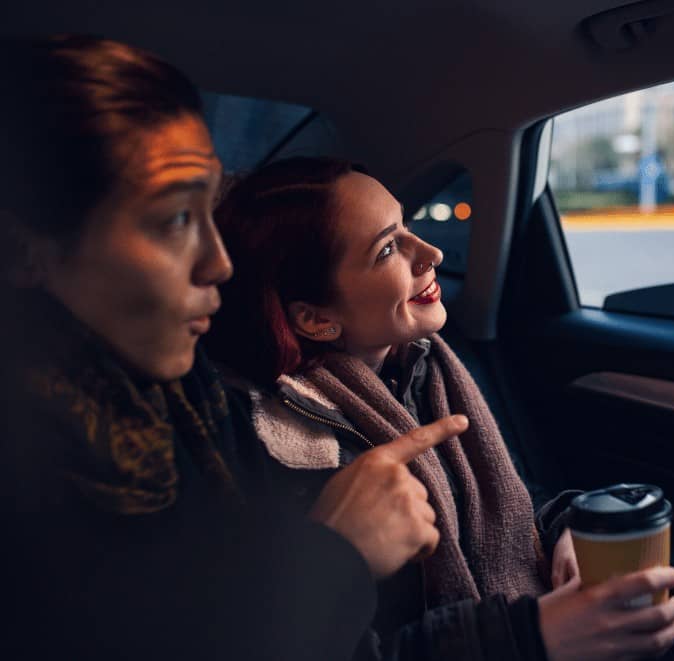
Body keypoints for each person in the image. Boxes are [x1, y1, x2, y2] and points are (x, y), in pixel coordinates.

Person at [0, 35, 460, 661]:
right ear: (25, 251)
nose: (219, 263)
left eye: (208, 210)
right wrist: (335, 556)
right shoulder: (32, 479)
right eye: (174, 220)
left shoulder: (191, 401)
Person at [207, 156, 674, 661]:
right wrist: (530, 637)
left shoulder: (431, 367)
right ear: (316, 319)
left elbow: (511, 504)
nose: (431, 253)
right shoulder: (273, 447)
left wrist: (567, 532)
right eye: (388, 248)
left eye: (407, 225)